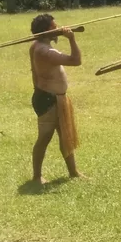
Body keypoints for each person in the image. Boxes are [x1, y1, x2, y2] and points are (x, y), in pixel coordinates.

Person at [29, 13, 82, 184]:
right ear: (45, 31)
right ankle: (37, 176)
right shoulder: (44, 51)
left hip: (55, 97)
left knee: (65, 134)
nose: (58, 29)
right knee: (44, 137)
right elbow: (76, 60)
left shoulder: (37, 46)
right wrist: (71, 39)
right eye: (54, 28)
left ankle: (73, 172)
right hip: (47, 98)